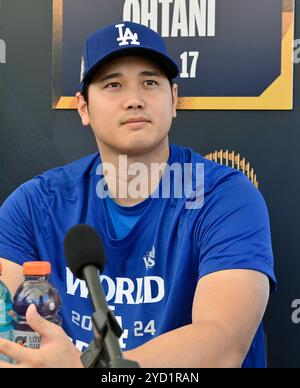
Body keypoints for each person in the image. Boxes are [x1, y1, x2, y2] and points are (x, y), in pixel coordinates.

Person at [0, 21, 276, 368]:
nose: (134, 99)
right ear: (83, 108)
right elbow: (4, 332)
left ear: (173, 99)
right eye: (113, 84)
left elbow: (222, 345)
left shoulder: (227, 198)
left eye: (150, 82)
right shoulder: (34, 204)